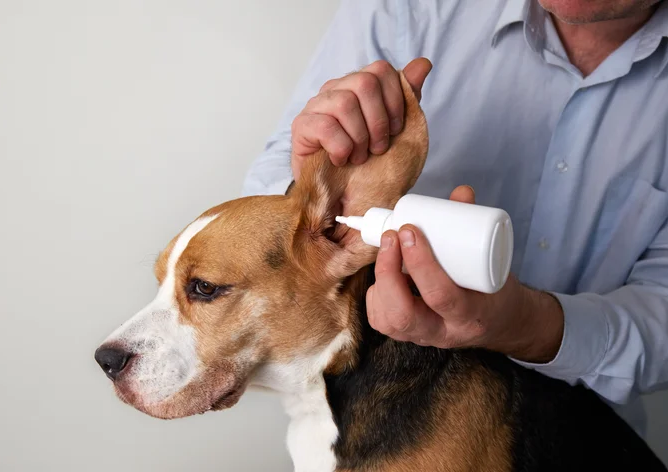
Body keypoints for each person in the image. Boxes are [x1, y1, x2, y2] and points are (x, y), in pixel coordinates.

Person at [242, 0, 668, 437]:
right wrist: (309, 199)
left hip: (581, 441)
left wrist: (525, 325)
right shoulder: (406, 9)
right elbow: (272, 173)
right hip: (367, 423)